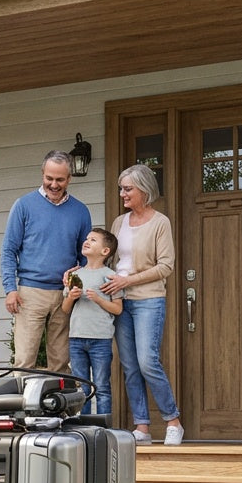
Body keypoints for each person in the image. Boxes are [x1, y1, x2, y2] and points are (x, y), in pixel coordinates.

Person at [100, 164, 184, 446]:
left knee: (148, 362)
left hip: (148, 299)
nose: (122, 194)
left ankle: (173, 420)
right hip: (120, 302)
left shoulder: (160, 222)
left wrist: (128, 281)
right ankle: (142, 427)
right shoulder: (118, 223)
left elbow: (166, 266)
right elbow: (108, 261)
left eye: (128, 189)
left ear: (144, 190)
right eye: (121, 188)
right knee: (130, 365)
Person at [0, 150, 94, 371]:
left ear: (69, 178)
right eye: (49, 178)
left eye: (60, 179)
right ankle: (23, 406)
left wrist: (78, 275)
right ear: (42, 174)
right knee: (24, 361)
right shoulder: (24, 205)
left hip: (65, 294)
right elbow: (8, 251)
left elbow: (85, 255)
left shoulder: (80, 211)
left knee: (61, 362)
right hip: (30, 294)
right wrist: (10, 289)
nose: (54, 184)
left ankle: (59, 406)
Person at [62, 227, 122, 415]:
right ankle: (85, 427)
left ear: (105, 251)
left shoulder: (110, 276)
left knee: (102, 386)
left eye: (93, 240)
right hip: (77, 338)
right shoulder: (75, 275)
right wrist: (71, 297)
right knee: (83, 389)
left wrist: (98, 299)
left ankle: (103, 429)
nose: (86, 241)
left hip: (101, 340)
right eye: (87, 239)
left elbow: (118, 308)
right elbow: (65, 309)